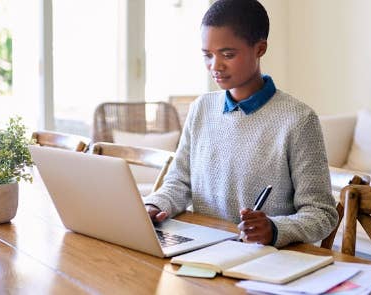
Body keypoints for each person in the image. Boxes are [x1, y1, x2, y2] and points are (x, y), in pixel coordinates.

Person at [144, 0, 338, 247]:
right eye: (207, 55)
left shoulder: (299, 120)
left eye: (227, 54)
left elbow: (322, 214)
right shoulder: (200, 109)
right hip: (199, 249)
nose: (215, 66)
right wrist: (154, 205)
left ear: (260, 49)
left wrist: (275, 229)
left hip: (263, 259)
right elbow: (179, 182)